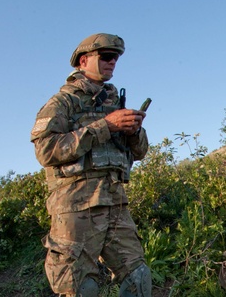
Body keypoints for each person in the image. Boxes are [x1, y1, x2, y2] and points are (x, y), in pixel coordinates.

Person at [30, 33, 152, 297]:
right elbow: (46, 150)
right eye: (106, 57)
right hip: (75, 208)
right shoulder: (62, 103)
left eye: (116, 58)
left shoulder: (115, 104)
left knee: (138, 278)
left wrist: (133, 131)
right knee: (79, 288)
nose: (113, 63)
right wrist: (105, 127)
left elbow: (140, 152)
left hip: (116, 204)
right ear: (83, 61)